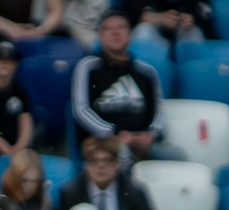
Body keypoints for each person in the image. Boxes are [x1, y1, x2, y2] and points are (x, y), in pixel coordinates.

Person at [70, 10, 169, 162]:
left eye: (121, 27)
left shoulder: (147, 72)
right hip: (103, 143)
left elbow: (159, 112)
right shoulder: (87, 67)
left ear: (130, 34)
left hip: (144, 142)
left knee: (174, 155)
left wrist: (150, 135)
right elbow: (81, 110)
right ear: (101, 35)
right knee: (122, 156)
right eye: (109, 28)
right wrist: (114, 134)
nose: (115, 32)